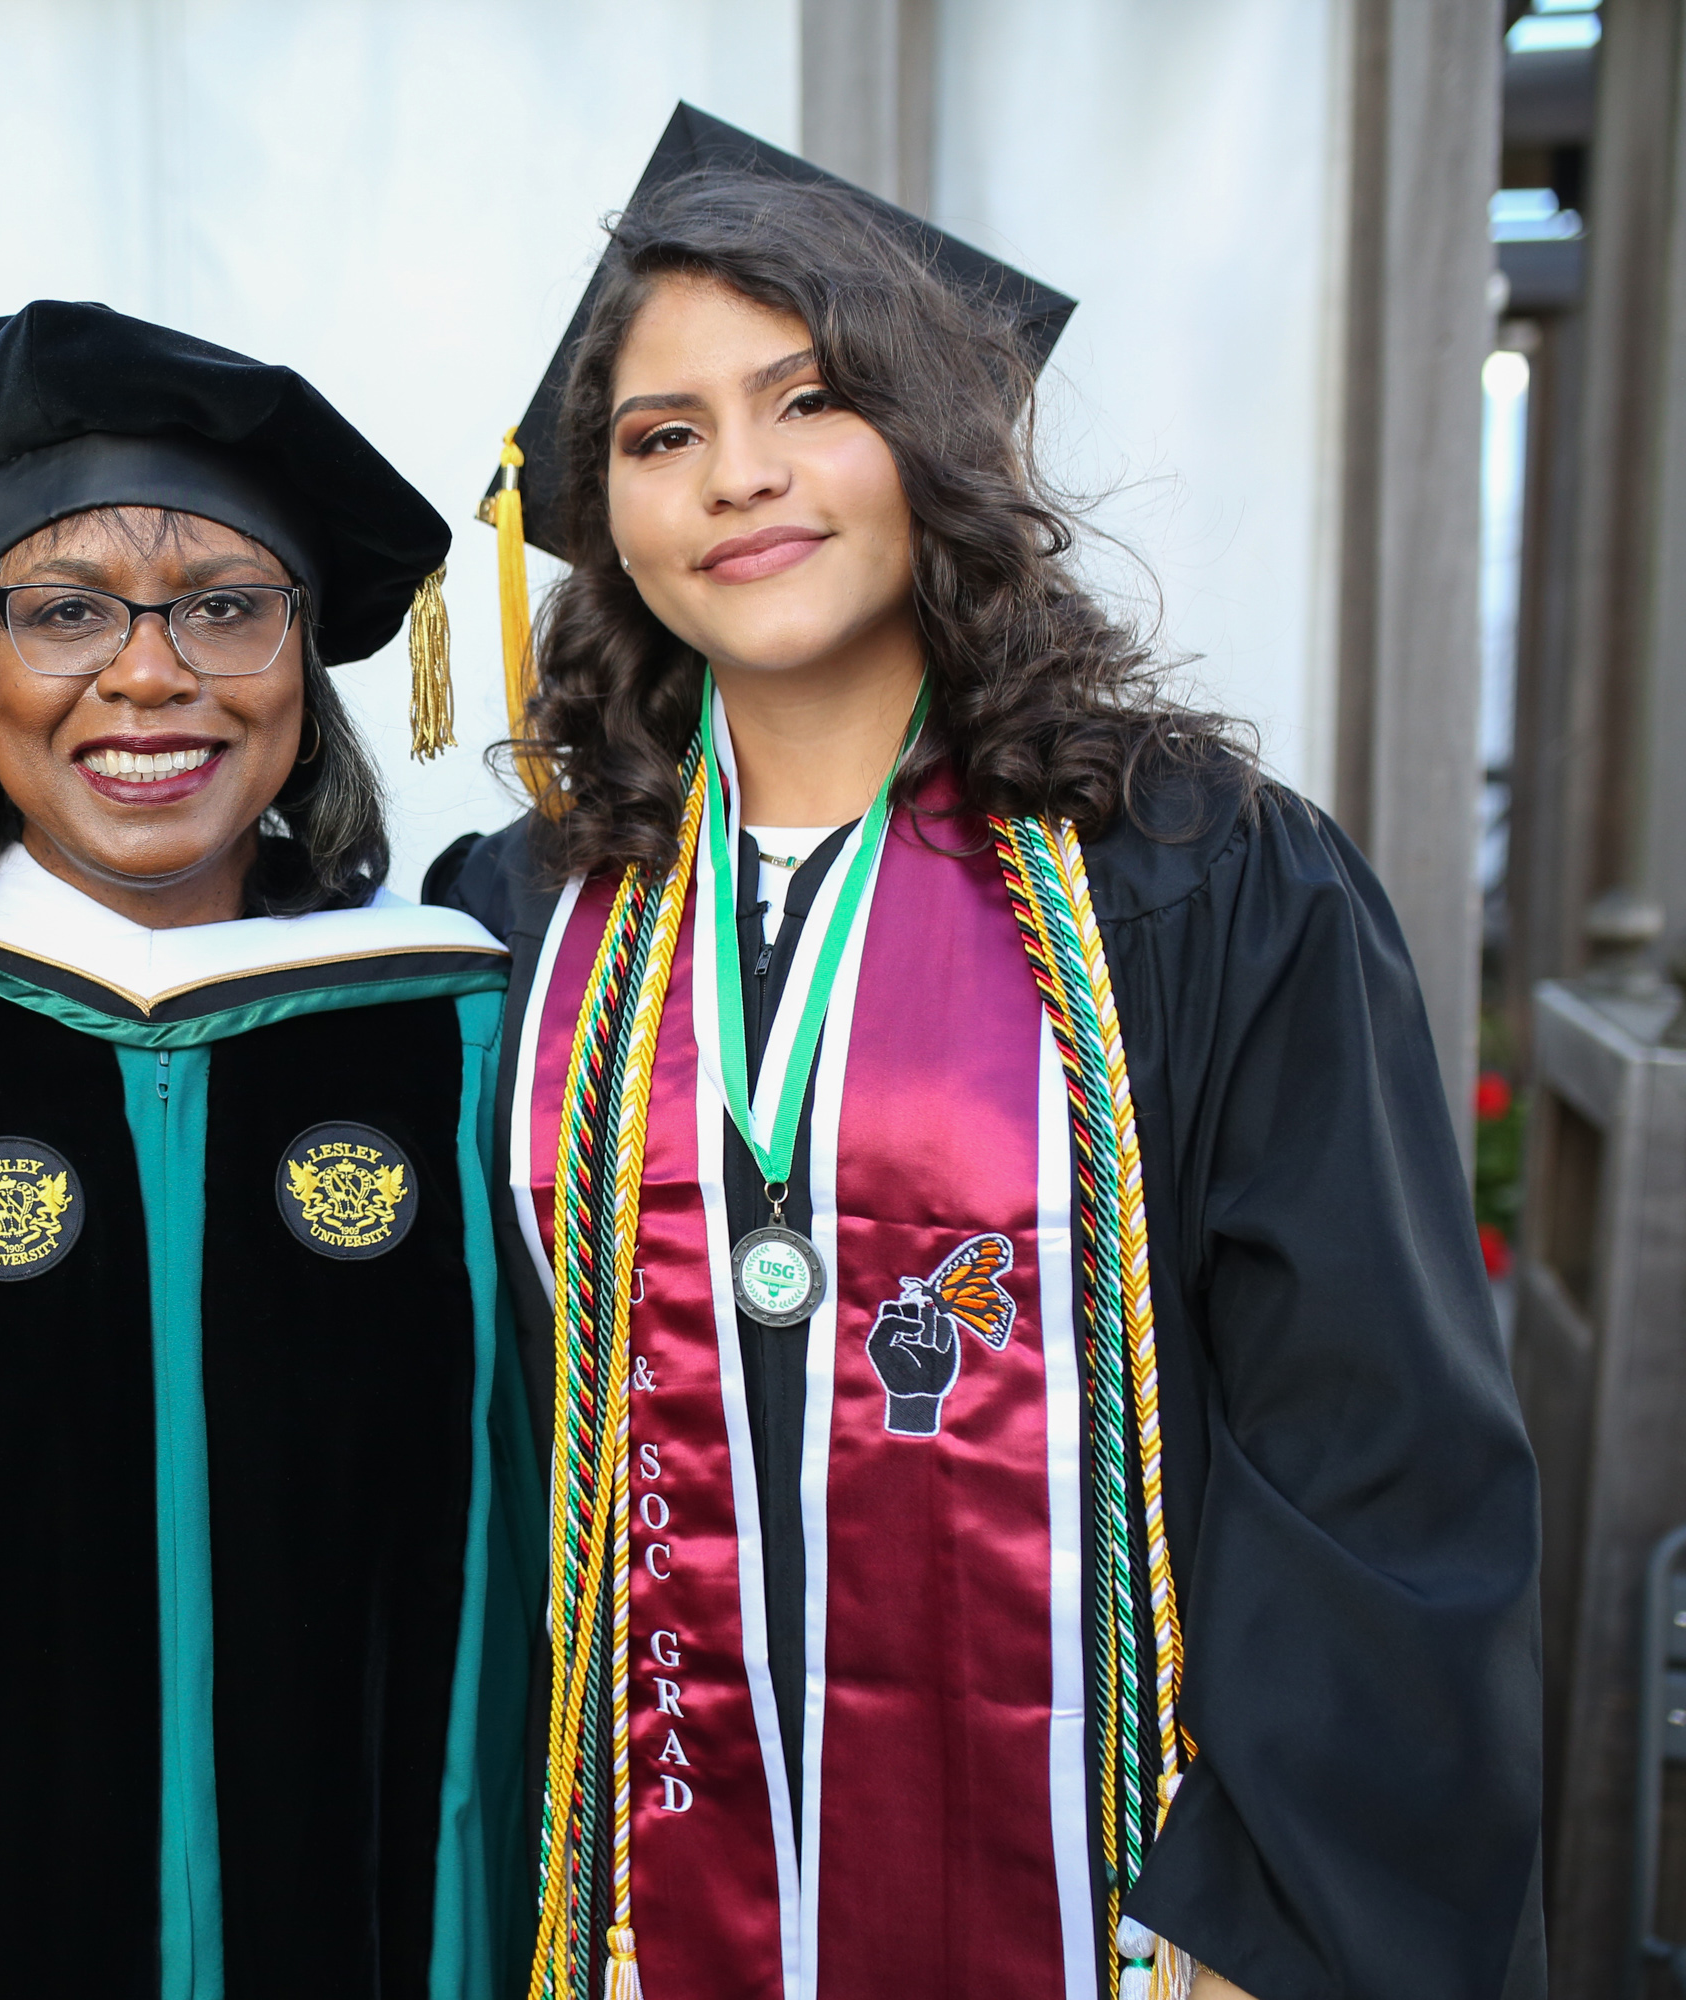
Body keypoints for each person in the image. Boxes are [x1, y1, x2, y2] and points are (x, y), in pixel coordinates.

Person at [425, 106, 1540, 2000]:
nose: (736, 480)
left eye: (811, 402)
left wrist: (1251, 1908)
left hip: (1117, 1913)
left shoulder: (1195, 879)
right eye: (661, 436)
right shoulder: (531, 917)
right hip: (641, 1895)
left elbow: (1368, 1436)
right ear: (598, 510)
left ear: (938, 448)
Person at [0, 300, 538, 2000]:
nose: (149, 675)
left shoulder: (476, 1045)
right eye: (64, 612)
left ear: (308, 660)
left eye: (227, 609)